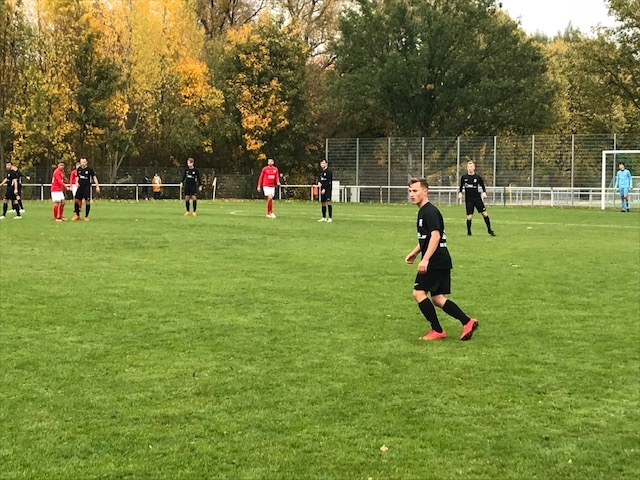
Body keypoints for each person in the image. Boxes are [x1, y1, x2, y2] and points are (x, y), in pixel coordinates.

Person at [405, 178, 479, 341]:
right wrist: (415, 252)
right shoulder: (424, 211)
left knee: (418, 293)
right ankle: (467, 322)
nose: (411, 194)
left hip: (435, 260)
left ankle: (437, 330)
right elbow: (426, 238)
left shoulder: (429, 211)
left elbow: (436, 236)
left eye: (415, 191)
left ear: (425, 191)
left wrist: (425, 259)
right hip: (441, 259)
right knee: (438, 298)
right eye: (410, 191)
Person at [458, 160, 495, 236]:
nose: (470, 168)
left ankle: (489, 230)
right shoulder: (464, 177)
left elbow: (482, 185)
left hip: (477, 199)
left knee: (484, 214)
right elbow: (461, 186)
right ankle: (469, 232)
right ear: (467, 168)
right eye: (468, 167)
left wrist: (484, 192)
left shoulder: (477, 177)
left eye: (471, 167)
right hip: (469, 200)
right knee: (469, 217)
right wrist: (460, 193)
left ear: (474, 168)